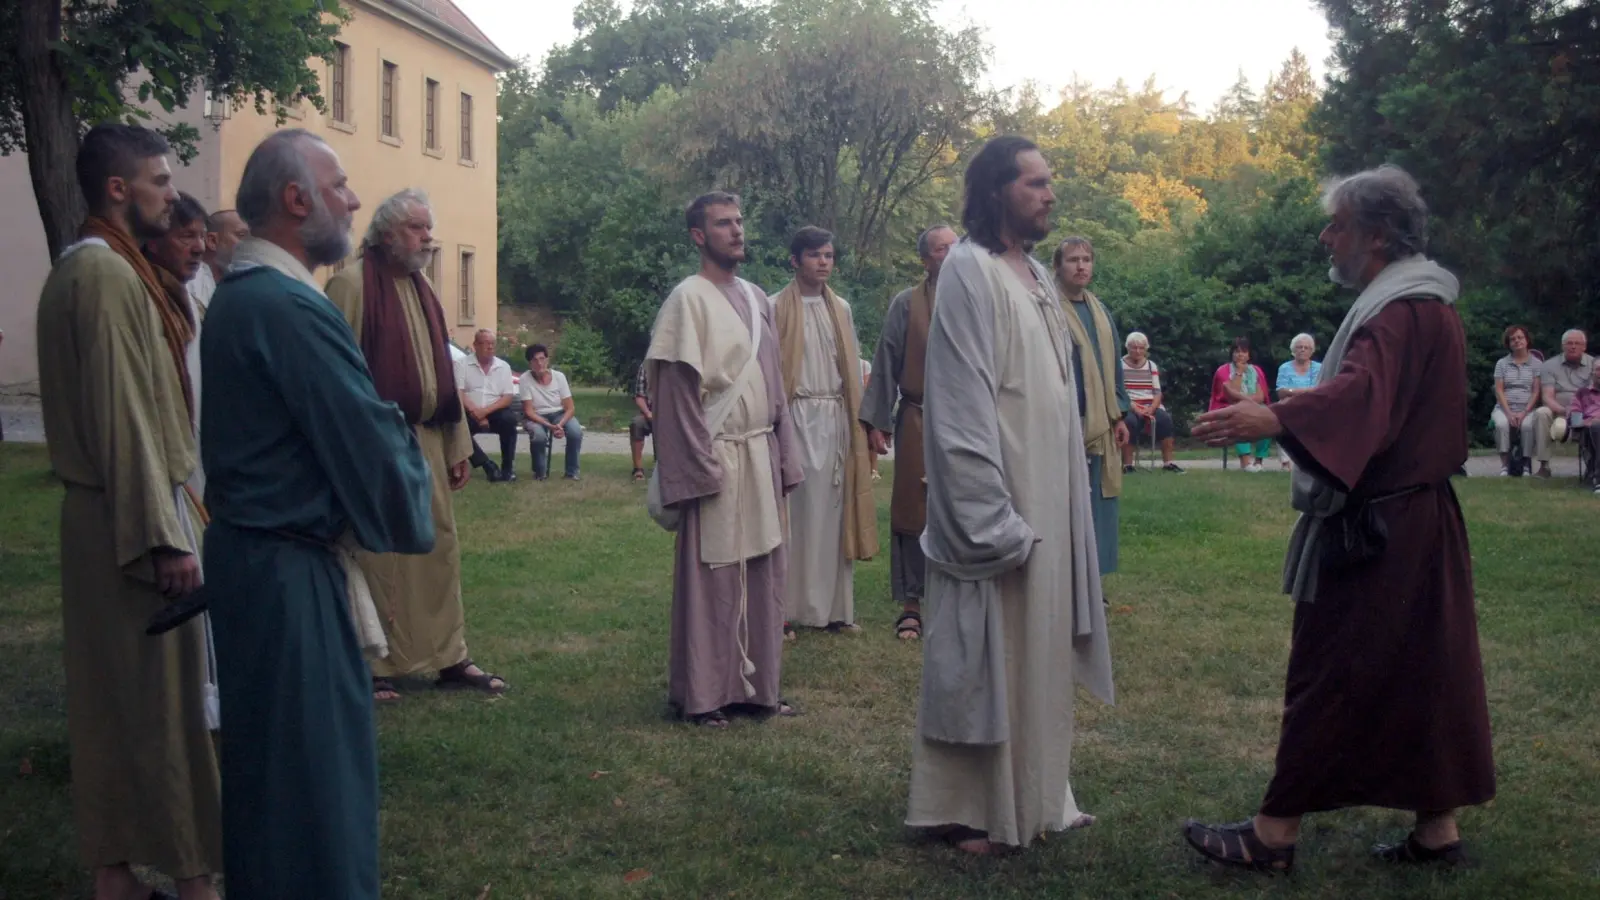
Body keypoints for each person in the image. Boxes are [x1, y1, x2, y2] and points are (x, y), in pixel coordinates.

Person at [1186, 164, 1493, 874]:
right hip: (1418, 520)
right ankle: (1436, 830)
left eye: (1339, 226)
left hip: (1381, 532)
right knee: (1426, 672)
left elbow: (1363, 398)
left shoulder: (1401, 312)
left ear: (1378, 236)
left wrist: (1277, 414)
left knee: (1332, 671)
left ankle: (1273, 834)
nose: (1327, 238)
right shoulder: (1425, 305)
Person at [202, 128, 436, 900]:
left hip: (261, 566)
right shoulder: (286, 307)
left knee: (277, 783)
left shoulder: (247, 297)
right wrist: (406, 478)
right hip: (287, 579)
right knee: (312, 793)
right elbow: (367, 437)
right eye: (339, 186)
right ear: (296, 199)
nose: (355, 200)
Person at [907, 136, 1114, 856]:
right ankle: (977, 810)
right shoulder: (968, 270)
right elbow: (960, 403)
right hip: (1000, 508)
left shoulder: (1034, 277)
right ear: (998, 190)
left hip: (1048, 497)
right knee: (989, 656)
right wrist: (990, 521)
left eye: (1050, 183)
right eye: (1036, 183)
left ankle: (1041, 795)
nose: (1049, 194)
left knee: (1040, 652)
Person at [36, 123, 221, 900]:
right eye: (157, 179)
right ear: (117, 189)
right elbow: (128, 415)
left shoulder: (91, 271)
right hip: (132, 523)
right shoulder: (107, 276)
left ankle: (115, 876)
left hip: (99, 518)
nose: (170, 192)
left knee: (111, 702)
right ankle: (193, 879)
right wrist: (162, 535)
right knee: (163, 708)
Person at [325, 188, 507, 701]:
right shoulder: (351, 286)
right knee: (379, 554)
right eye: (417, 229)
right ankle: (375, 663)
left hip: (427, 440)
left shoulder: (422, 289)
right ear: (387, 233)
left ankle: (448, 654)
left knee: (437, 549)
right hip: (379, 445)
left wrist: (456, 445)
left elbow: (440, 376)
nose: (428, 237)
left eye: (428, 228)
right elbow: (339, 380)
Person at [645, 190, 803, 728]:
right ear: (698, 236)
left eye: (739, 222)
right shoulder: (686, 300)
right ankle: (705, 695)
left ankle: (757, 690)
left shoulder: (758, 297)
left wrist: (785, 454)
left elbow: (775, 384)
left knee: (763, 574)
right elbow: (675, 392)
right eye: (722, 224)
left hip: (758, 451)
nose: (737, 231)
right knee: (712, 579)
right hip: (717, 457)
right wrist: (697, 467)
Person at [770, 226, 878, 632]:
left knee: (834, 516)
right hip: (795, 416)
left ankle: (835, 612)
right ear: (796, 260)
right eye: (815, 255)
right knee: (794, 515)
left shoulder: (842, 308)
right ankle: (786, 612)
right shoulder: (774, 306)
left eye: (829, 256)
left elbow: (851, 370)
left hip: (835, 418)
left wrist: (862, 426)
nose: (824, 262)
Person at [861, 224, 958, 641]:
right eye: (941, 249)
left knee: (966, 505)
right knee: (913, 511)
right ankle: (912, 604)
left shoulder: (983, 301)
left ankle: (961, 600)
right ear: (925, 259)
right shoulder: (906, 304)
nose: (950, 254)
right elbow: (885, 361)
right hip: (918, 417)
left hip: (969, 421)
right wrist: (877, 420)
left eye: (956, 246)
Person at [1055, 237, 1130, 574]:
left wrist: (1119, 416)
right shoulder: (1048, 309)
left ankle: (1093, 585)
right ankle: (1065, 583)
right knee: (1065, 507)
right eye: (1073, 260)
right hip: (1063, 425)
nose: (1081, 265)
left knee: (1099, 506)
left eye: (1087, 259)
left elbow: (1113, 369)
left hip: (1101, 427)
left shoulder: (1100, 312)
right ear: (1058, 266)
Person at [457, 328, 520, 481]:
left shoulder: (503, 366)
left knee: (509, 421)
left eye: (492, 344)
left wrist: (484, 413)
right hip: (469, 410)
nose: (490, 347)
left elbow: (507, 397)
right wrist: (475, 412)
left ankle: (507, 470)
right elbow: (459, 392)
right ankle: (487, 464)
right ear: (475, 345)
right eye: (486, 343)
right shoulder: (462, 364)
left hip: (495, 410)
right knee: (456, 428)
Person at [1119, 331, 1184, 474]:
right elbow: (1120, 392)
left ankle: (1168, 463)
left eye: (1141, 348)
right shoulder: (1120, 365)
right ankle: (1127, 465)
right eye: (1134, 347)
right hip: (1130, 404)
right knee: (1130, 422)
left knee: (1165, 420)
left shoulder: (1151, 366)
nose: (1137, 351)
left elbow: (1157, 392)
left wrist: (1152, 408)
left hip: (1150, 404)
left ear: (1146, 349)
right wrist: (1134, 407)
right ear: (1127, 348)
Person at [1532, 329, 1593, 474]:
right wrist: (1566, 412)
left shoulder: (1595, 365)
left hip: (1587, 412)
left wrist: (1581, 413)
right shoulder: (1549, 365)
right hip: (1558, 412)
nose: (1573, 347)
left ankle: (1592, 467)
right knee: (1541, 412)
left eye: (1577, 343)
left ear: (1584, 346)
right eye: (1569, 343)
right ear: (1562, 346)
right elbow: (1547, 397)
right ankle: (1544, 466)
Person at [520, 342, 584, 480]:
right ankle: (540, 473)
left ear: (547, 360)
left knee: (575, 432)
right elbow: (529, 411)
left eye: (542, 359)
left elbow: (570, 408)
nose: (539, 363)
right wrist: (550, 426)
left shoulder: (559, 377)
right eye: (535, 360)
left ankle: (572, 473)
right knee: (539, 435)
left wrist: (559, 425)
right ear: (530, 363)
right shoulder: (525, 379)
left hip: (559, 414)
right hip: (536, 416)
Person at [1209, 337, 1271, 470]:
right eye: (1236, 351)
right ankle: (1246, 462)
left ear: (1249, 355)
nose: (1240, 354)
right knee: (1239, 416)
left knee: (1268, 417)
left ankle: (1259, 462)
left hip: (1253, 406)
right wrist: (1239, 373)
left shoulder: (1256, 371)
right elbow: (1232, 395)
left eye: (1244, 351)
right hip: (1228, 408)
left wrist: (1247, 402)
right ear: (1231, 354)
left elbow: (1261, 396)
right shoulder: (1223, 371)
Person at [1491, 324, 1541, 476]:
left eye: (1520, 337)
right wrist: (1509, 413)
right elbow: (1499, 390)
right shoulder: (1501, 364)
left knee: (1527, 426)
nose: (1517, 341)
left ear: (1527, 340)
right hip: (1504, 408)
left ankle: (1526, 464)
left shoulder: (1537, 364)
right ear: (1508, 344)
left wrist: (1524, 412)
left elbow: (1536, 391)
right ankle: (1505, 465)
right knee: (1501, 424)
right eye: (1512, 339)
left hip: (1528, 408)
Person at [187, 207, 250, 318]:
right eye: (242, 235)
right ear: (212, 241)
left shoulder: (245, 282)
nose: (250, 244)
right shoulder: (190, 286)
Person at [1274, 334, 1323, 470]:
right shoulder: (1284, 368)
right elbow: (1280, 392)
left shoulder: (1319, 368)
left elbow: (1318, 391)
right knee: (1279, 419)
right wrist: (1305, 391)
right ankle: (1285, 462)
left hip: (1312, 407)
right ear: (1293, 350)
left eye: (1306, 347)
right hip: (1289, 406)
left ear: (1311, 351)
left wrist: (1292, 390)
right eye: (1299, 347)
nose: (1302, 350)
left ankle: (1313, 460)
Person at [1566, 358, 1600, 492]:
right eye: (1598, 369)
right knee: (1597, 428)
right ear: (1592, 373)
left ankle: (1595, 475)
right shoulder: (1582, 393)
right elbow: (1575, 418)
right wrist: (1590, 422)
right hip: (1589, 432)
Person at [630, 362, 654, 481]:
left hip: (670, 415)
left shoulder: (675, 366)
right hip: (649, 412)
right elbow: (639, 396)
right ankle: (638, 469)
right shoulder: (645, 366)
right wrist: (648, 413)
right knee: (637, 423)